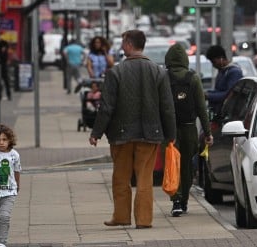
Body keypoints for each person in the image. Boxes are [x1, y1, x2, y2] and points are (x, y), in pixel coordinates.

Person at [89, 29, 176, 229]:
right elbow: (167, 107)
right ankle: (144, 220)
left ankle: (121, 216)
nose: (121, 46)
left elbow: (107, 107)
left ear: (129, 44)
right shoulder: (158, 72)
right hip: (150, 134)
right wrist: (171, 135)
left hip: (121, 135)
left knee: (121, 177)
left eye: (122, 42)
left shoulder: (115, 72)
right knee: (145, 178)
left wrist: (96, 133)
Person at [164, 42, 212, 217]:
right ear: (185, 59)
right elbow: (201, 108)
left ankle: (175, 199)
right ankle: (183, 199)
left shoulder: (163, 77)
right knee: (186, 166)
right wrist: (207, 132)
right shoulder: (193, 78)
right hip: (189, 128)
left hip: (169, 130)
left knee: (171, 163)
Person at [205, 44, 243, 115]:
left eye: (214, 62)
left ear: (221, 58)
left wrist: (208, 96)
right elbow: (218, 91)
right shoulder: (223, 71)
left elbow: (228, 95)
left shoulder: (234, 72)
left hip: (228, 114)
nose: (213, 65)